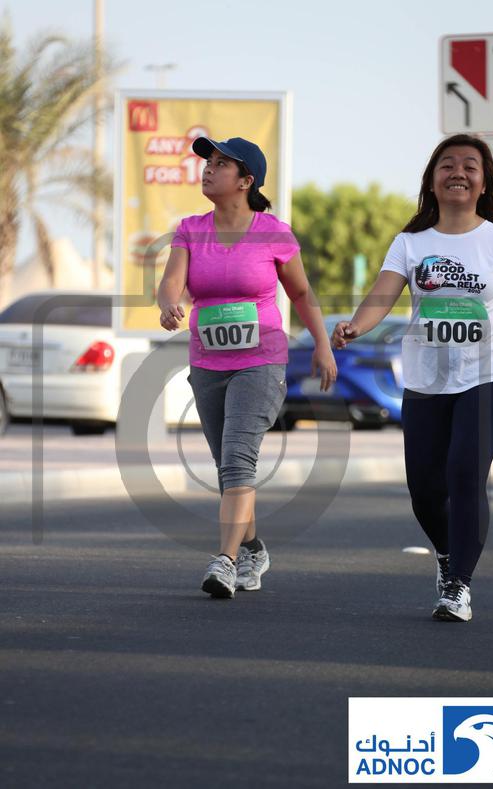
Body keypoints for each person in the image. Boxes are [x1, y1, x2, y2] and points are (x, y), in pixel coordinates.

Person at [332, 133, 493, 622]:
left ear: (484, 183)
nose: (458, 172)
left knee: (465, 473)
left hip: (485, 378)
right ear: (432, 180)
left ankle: (458, 585)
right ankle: (445, 554)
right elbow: (382, 296)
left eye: (469, 166)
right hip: (425, 381)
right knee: (424, 490)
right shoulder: (411, 243)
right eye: (447, 165)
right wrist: (355, 326)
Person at [158, 136, 336, 598]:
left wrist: (322, 345)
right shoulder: (190, 229)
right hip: (207, 361)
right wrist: (168, 303)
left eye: (221, 164)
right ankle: (253, 547)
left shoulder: (273, 233)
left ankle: (226, 560)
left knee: (238, 457)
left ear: (246, 180)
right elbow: (172, 281)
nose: (208, 169)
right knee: (228, 468)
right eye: (208, 162)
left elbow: (301, 293)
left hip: (261, 361)